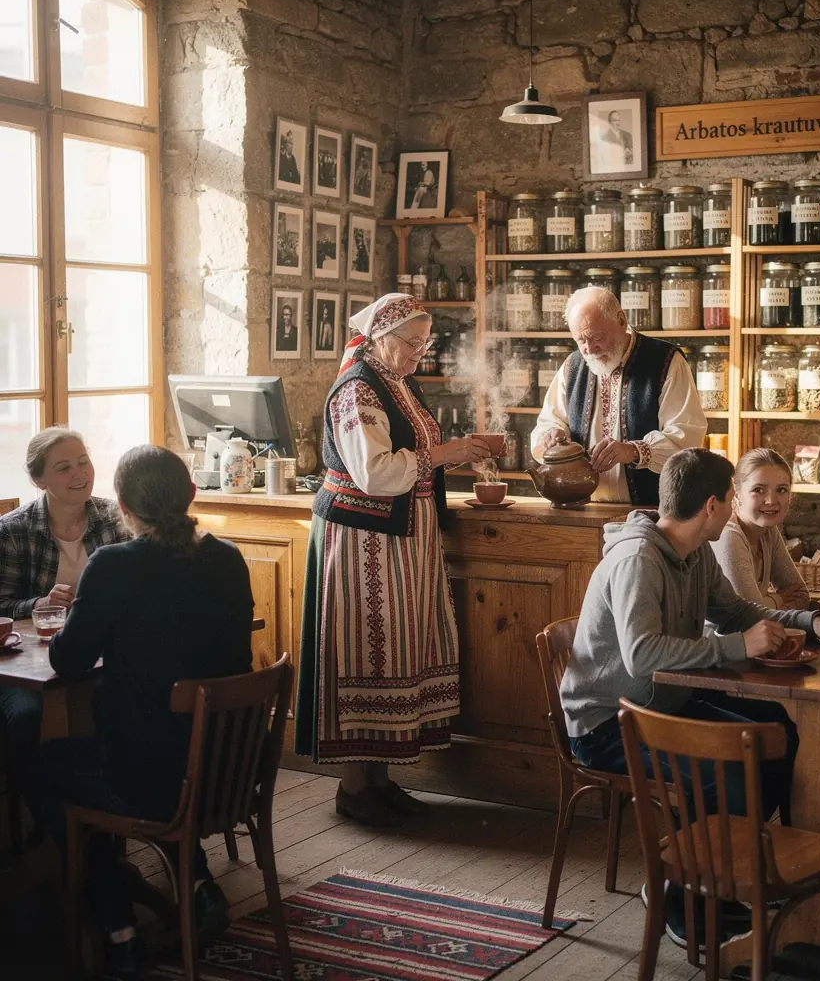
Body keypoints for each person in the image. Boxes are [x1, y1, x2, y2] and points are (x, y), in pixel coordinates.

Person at [560, 448, 820, 947]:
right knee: (725, 776)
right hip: (607, 724)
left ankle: (729, 875)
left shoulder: (694, 552)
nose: (733, 509)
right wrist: (737, 646)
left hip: (661, 704)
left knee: (775, 731)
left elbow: (735, 611)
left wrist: (807, 621)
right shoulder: (637, 560)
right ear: (711, 505)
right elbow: (643, 656)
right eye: (732, 498)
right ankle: (684, 903)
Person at [30, 445, 254, 979]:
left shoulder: (114, 565)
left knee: (45, 768)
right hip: (226, 775)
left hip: (151, 782)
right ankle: (193, 881)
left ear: (124, 506)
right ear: (193, 494)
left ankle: (118, 927)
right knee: (127, 742)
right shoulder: (228, 557)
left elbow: (67, 658)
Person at [295, 293, 490, 827]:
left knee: (399, 653)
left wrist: (445, 457)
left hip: (403, 537)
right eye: (410, 342)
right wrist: (444, 454)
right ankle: (354, 788)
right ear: (382, 335)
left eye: (424, 343)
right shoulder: (358, 389)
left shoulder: (396, 380)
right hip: (363, 540)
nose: (418, 352)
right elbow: (375, 473)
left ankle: (381, 780)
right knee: (368, 652)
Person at [0, 428, 130, 839]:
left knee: (120, 701)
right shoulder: (14, 531)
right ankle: (49, 817)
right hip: (30, 663)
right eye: (63, 468)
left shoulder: (113, 517)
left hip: (98, 654)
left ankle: (102, 809)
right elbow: (1, 602)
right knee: (25, 714)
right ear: (39, 480)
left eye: (83, 462)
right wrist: (38, 603)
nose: (79, 474)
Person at [530, 287, 706, 505]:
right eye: (580, 340)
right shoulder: (572, 367)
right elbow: (549, 422)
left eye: (596, 337)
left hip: (651, 512)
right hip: (583, 509)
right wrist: (552, 434)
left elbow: (686, 436)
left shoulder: (665, 361)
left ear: (621, 320)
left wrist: (634, 451)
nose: (590, 349)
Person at [710, 447, 809, 610]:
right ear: (737, 494)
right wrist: (778, 599)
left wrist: (766, 604)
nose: (771, 500)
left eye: (781, 490)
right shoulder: (729, 536)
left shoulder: (768, 531)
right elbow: (751, 614)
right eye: (758, 490)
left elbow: (801, 594)